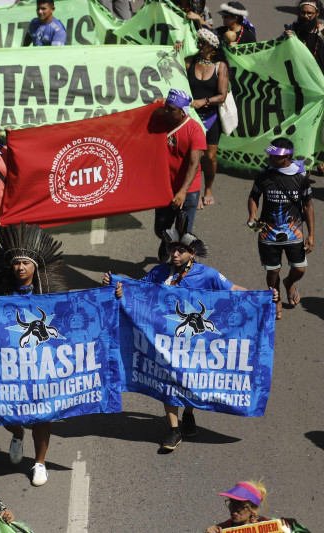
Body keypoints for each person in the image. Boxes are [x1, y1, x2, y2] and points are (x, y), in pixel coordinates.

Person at [103, 219, 277, 451]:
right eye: (171, 249)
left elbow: (235, 292)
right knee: (167, 380)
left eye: (180, 250)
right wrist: (115, 283)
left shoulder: (209, 274)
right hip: (163, 342)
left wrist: (265, 297)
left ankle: (188, 413)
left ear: (192, 253)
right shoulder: (158, 272)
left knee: (190, 380)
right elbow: (136, 289)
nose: (174, 254)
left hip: (195, 344)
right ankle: (174, 430)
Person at [0, 222, 66, 486]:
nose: (20, 267)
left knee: (42, 415)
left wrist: (113, 293)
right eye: (17, 263)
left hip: (42, 363)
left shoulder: (51, 291)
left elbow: (74, 313)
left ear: (35, 266)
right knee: (6, 413)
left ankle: (40, 463)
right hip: (8, 362)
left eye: (26, 263)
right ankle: (17, 433)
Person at [247, 138, 314, 320]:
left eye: (275, 156)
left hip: (294, 232)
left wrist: (311, 235)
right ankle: (276, 299)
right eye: (270, 154)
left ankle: (289, 283)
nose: (270, 158)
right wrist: (253, 215)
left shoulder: (301, 177)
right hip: (268, 231)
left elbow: (308, 206)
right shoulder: (263, 175)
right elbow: (254, 196)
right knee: (273, 270)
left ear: (288, 157)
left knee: (299, 269)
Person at [153, 88, 206, 262]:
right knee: (160, 229)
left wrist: (183, 191)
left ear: (183, 113)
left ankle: (177, 270)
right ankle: (167, 242)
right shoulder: (163, 122)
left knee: (183, 236)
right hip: (165, 188)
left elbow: (194, 163)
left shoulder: (195, 130)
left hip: (187, 191)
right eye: (166, 107)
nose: (166, 112)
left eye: (171, 110)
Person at [185, 29, 229, 210]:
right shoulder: (190, 62)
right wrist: (177, 49)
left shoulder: (220, 66)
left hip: (211, 117)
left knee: (209, 157)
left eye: (203, 42)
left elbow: (222, 96)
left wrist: (205, 101)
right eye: (199, 41)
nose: (199, 44)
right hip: (192, 116)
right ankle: (193, 192)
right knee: (193, 155)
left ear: (212, 47)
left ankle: (208, 189)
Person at [205, 481, 309, 532]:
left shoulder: (273, 526)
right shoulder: (223, 528)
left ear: (254, 509)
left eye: (240, 506)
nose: (233, 509)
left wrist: (293, 527)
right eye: (232, 503)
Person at [284, 0, 324, 73]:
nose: (306, 16)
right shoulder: (293, 29)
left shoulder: (322, 32)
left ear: (317, 13)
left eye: (309, 13)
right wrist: (286, 40)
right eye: (303, 13)